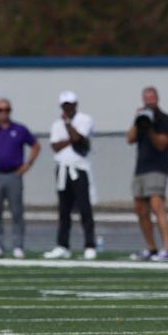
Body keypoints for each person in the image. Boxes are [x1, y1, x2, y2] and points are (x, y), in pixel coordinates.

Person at [0, 98, 41, 259]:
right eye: (0, 110)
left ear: (10, 111)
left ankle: (18, 246)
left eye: (6, 109)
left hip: (14, 176)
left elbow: (35, 146)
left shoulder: (19, 129)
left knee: (17, 212)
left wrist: (27, 165)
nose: (3, 112)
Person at [43, 90, 97, 260]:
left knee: (84, 208)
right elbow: (56, 146)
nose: (68, 108)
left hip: (79, 168)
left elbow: (77, 138)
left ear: (75, 105)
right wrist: (71, 139)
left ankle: (89, 245)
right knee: (64, 210)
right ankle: (62, 245)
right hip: (62, 168)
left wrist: (68, 128)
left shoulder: (85, 119)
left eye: (70, 104)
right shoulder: (55, 124)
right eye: (65, 105)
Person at [127, 86, 168, 262]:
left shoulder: (164, 119)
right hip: (141, 168)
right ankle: (151, 248)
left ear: (157, 98)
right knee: (140, 209)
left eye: (152, 97)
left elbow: (162, 144)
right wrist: (137, 120)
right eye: (146, 98)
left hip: (158, 168)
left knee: (157, 206)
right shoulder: (141, 119)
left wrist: (149, 128)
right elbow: (129, 139)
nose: (149, 101)